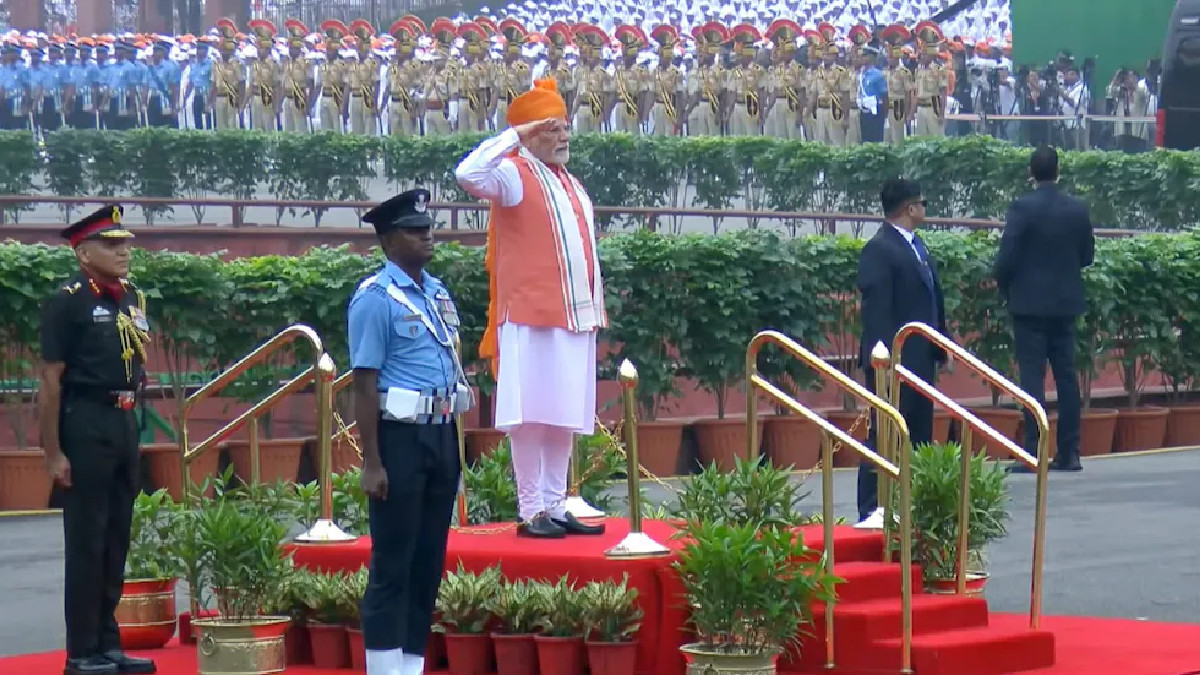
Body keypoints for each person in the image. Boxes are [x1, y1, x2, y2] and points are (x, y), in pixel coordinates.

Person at [454, 79, 608, 539]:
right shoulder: (513, 174)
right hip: (528, 317)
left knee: (563, 415)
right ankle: (531, 510)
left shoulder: (571, 183)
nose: (563, 137)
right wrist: (515, 137)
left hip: (575, 317)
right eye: (551, 129)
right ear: (528, 133)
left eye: (564, 128)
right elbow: (468, 174)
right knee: (531, 416)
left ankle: (557, 505)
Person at [349, 189, 471, 675]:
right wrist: (372, 460)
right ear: (387, 240)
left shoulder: (437, 292)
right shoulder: (375, 299)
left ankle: (410, 667)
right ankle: (383, 669)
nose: (427, 236)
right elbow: (363, 382)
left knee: (428, 563)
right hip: (399, 438)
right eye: (414, 230)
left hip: (441, 432)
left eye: (428, 227)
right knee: (392, 564)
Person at [39, 205, 156, 675]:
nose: (124, 251)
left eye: (125, 243)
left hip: (124, 421)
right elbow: (50, 381)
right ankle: (81, 650)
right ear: (84, 253)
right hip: (84, 421)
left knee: (116, 538)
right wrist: (52, 452)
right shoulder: (67, 301)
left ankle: (110, 643)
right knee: (86, 539)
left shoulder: (129, 297)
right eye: (112, 245)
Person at [994, 146, 1093, 472]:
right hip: (1065, 305)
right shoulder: (1076, 209)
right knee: (1067, 379)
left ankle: (1033, 453)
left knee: (1032, 379)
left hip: (1029, 306)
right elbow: (1087, 256)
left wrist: (1005, 285)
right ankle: (1070, 452)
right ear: (1058, 171)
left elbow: (1006, 257)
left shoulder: (1022, 207)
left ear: (1031, 173)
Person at [856, 179, 947, 528]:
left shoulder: (916, 246)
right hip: (894, 363)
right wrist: (885, 362)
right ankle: (871, 508)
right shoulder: (879, 249)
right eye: (923, 203)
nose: (925, 209)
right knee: (885, 433)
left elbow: (932, 300)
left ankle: (912, 505)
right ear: (910, 208)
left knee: (918, 435)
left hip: (921, 360)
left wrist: (942, 343)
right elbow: (877, 313)